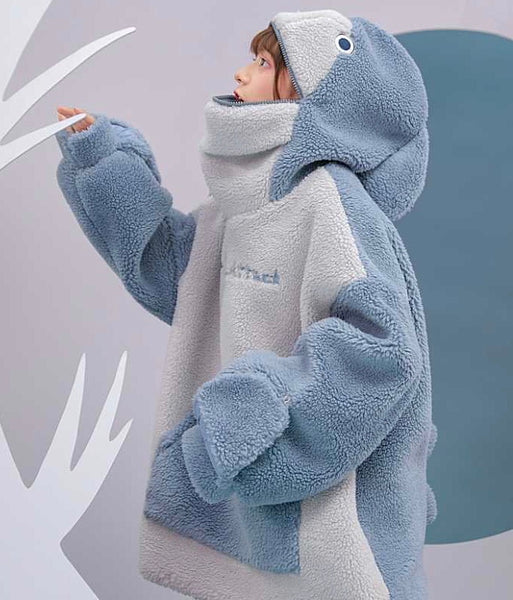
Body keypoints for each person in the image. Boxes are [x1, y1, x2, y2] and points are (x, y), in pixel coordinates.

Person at [55, 9, 438, 600]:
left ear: (308, 91)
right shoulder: (242, 207)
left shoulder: (328, 203)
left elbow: (380, 351)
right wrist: (102, 159)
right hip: (245, 512)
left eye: (262, 63)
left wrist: (247, 418)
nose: (241, 74)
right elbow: (175, 276)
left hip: (322, 521)